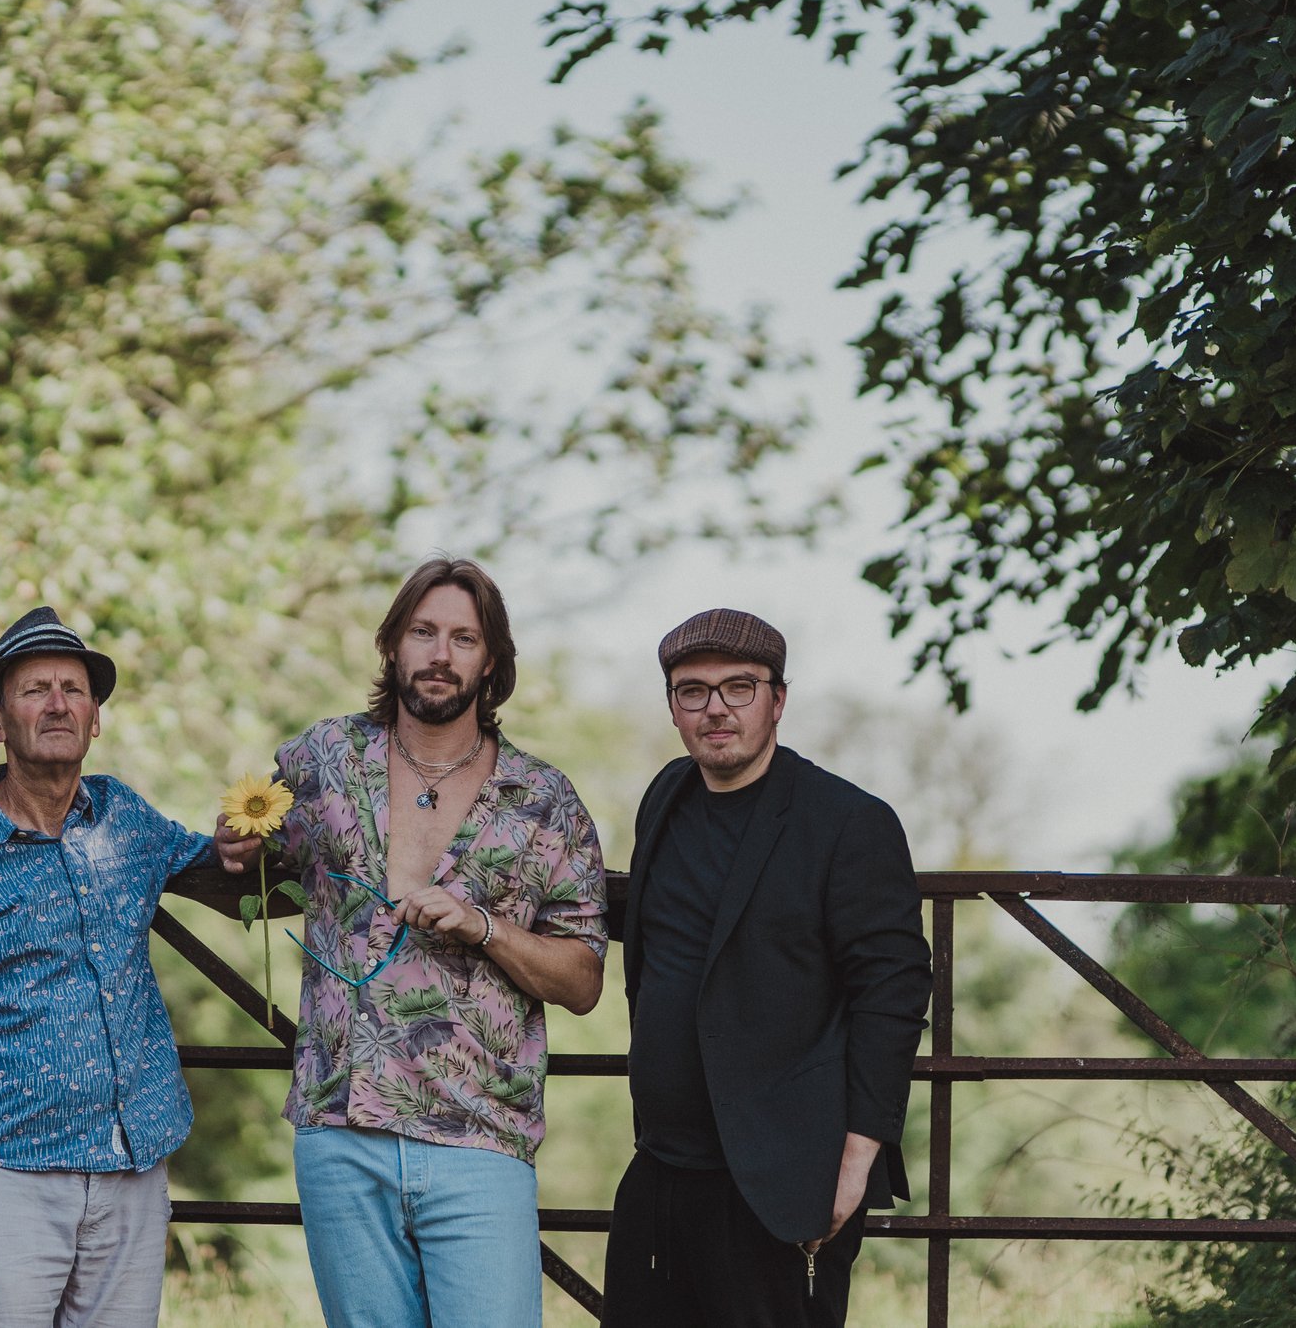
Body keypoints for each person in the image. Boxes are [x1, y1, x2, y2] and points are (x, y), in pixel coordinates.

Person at [215, 557, 607, 1328]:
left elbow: (584, 978)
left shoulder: (543, 799)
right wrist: (234, 843)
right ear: (392, 644)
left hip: (479, 1140)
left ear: (490, 661)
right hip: (340, 1133)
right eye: (424, 631)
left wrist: (485, 927)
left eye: (464, 638)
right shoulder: (322, 759)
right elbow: (249, 837)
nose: (440, 653)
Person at [0, 607, 216, 1328]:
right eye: (35, 690)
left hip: (132, 1170)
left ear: (95, 719)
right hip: (2, 1180)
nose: (59, 703)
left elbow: (230, 870)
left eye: (74, 689)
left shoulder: (127, 820)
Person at [601, 609, 931, 1328]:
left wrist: (854, 1165)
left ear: (777, 700)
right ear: (673, 707)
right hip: (659, 1171)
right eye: (693, 691)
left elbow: (894, 990)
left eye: (739, 687)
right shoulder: (666, 794)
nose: (716, 707)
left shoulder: (848, 820)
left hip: (782, 1184)